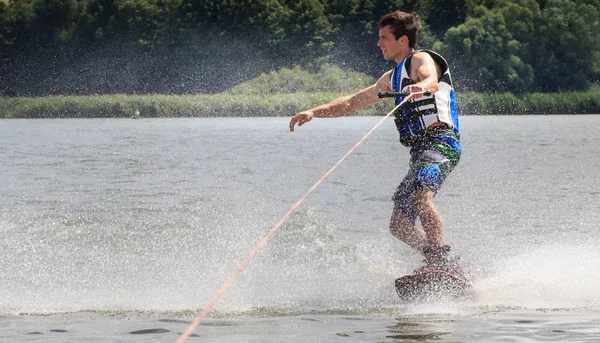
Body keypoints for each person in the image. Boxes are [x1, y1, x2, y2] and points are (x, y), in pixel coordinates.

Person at [288, 11, 462, 272]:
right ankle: (437, 260)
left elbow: (431, 80)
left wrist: (421, 86)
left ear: (402, 40)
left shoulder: (420, 59)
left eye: (384, 37)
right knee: (399, 225)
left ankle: (438, 260)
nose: (379, 43)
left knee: (419, 194)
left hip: (441, 142)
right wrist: (315, 111)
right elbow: (350, 102)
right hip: (419, 151)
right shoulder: (390, 77)